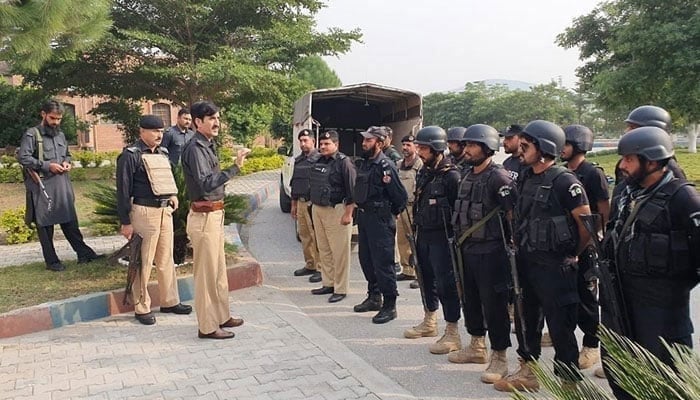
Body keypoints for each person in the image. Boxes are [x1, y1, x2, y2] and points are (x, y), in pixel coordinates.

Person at [601, 126, 700, 400]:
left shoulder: (683, 198)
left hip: (663, 315)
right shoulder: (624, 193)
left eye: (629, 159)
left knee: (665, 385)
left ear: (652, 161)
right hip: (620, 306)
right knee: (621, 377)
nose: (622, 165)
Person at [494, 120, 591, 393]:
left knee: (561, 327)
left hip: (555, 266)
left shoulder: (565, 181)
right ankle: (528, 371)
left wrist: (574, 254)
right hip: (526, 262)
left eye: (525, 146)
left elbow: (586, 224)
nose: (520, 150)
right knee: (526, 320)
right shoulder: (525, 177)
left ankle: (568, 382)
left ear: (544, 148)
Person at [449, 124, 515, 384]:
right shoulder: (466, 174)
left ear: (488, 147)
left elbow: (512, 215)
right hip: (468, 249)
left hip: (492, 252)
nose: (467, 149)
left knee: (494, 304)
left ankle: (500, 356)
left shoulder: (499, 178)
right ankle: (477, 345)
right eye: (466, 145)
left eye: (473, 145)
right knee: (471, 299)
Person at [181, 101, 249, 340]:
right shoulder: (195, 148)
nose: (217, 122)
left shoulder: (208, 145)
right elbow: (205, 183)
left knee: (218, 270)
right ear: (198, 122)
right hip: (203, 217)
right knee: (207, 274)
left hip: (215, 215)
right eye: (211, 118)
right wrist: (234, 168)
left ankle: (222, 315)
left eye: (218, 118)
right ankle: (208, 326)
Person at [116, 115, 192, 325]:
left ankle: (170, 301)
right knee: (143, 260)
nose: (159, 135)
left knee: (166, 258)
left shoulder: (163, 153)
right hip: (143, 212)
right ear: (142, 131)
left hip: (164, 211)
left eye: (161, 131)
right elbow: (123, 191)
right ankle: (141, 307)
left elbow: (167, 177)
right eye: (154, 131)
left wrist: (173, 195)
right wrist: (125, 222)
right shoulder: (130, 155)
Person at [18, 99, 102, 272]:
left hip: (62, 183)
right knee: (45, 225)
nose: (55, 122)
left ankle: (84, 254)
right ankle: (52, 261)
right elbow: (23, 157)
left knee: (70, 221)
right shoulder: (32, 134)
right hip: (42, 184)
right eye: (52, 118)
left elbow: (68, 154)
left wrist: (67, 163)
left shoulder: (60, 135)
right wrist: (48, 166)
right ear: (43, 114)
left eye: (58, 119)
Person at [404, 126, 463, 355]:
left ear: (437, 148)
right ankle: (429, 321)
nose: (419, 152)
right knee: (425, 278)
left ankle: (452, 331)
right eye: (418, 147)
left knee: (446, 284)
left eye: (424, 148)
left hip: (443, 238)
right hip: (424, 234)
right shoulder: (425, 172)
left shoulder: (452, 176)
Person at [561, 124, 610, 369]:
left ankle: (591, 345)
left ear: (579, 146)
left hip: (587, 245)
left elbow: (603, 211)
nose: (561, 148)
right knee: (566, 295)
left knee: (587, 297)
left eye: (566, 144)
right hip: (566, 243)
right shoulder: (562, 172)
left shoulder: (592, 173)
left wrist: (591, 241)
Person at [353, 126, 408, 323]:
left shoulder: (385, 165)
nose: (364, 143)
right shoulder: (366, 164)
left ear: (380, 142)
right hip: (365, 218)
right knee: (366, 260)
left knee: (383, 263)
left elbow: (400, 197)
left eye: (369, 140)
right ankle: (374, 297)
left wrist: (387, 214)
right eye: (364, 140)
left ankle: (390, 305)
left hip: (380, 219)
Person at [309, 130, 356, 303]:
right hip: (318, 209)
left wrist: (348, 213)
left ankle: (341, 288)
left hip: (337, 209)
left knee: (340, 252)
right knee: (324, 249)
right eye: (321, 144)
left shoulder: (345, 163)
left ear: (336, 145)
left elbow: (352, 190)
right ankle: (328, 283)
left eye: (327, 144)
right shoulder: (318, 160)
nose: (323, 146)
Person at [290, 129, 322, 283]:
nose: (303, 143)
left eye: (306, 140)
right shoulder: (298, 160)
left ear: (313, 141)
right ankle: (310, 264)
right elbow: (295, 182)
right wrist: (294, 204)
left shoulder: (320, 159)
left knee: (317, 236)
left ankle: (321, 268)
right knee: (305, 235)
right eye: (301, 141)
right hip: (301, 202)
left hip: (313, 203)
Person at [395, 135, 423, 286]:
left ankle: (420, 275)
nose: (405, 148)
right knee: (402, 240)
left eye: (408, 145)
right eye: (404, 144)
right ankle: (407, 270)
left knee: (416, 241)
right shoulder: (399, 164)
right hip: (401, 208)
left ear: (415, 147)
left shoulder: (420, 165)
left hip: (414, 207)